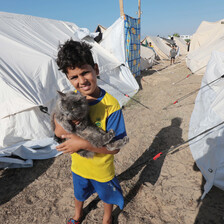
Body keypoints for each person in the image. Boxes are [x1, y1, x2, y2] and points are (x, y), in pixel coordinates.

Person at [54, 40, 127, 224]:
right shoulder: (69, 101)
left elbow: (115, 148)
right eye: (74, 77)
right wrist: (64, 120)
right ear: (68, 79)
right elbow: (58, 131)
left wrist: (83, 144)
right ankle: (78, 215)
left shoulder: (111, 105)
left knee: (107, 196)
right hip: (78, 167)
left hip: (102, 169)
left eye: (85, 72)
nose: (81, 81)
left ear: (96, 69)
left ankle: (107, 218)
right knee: (79, 194)